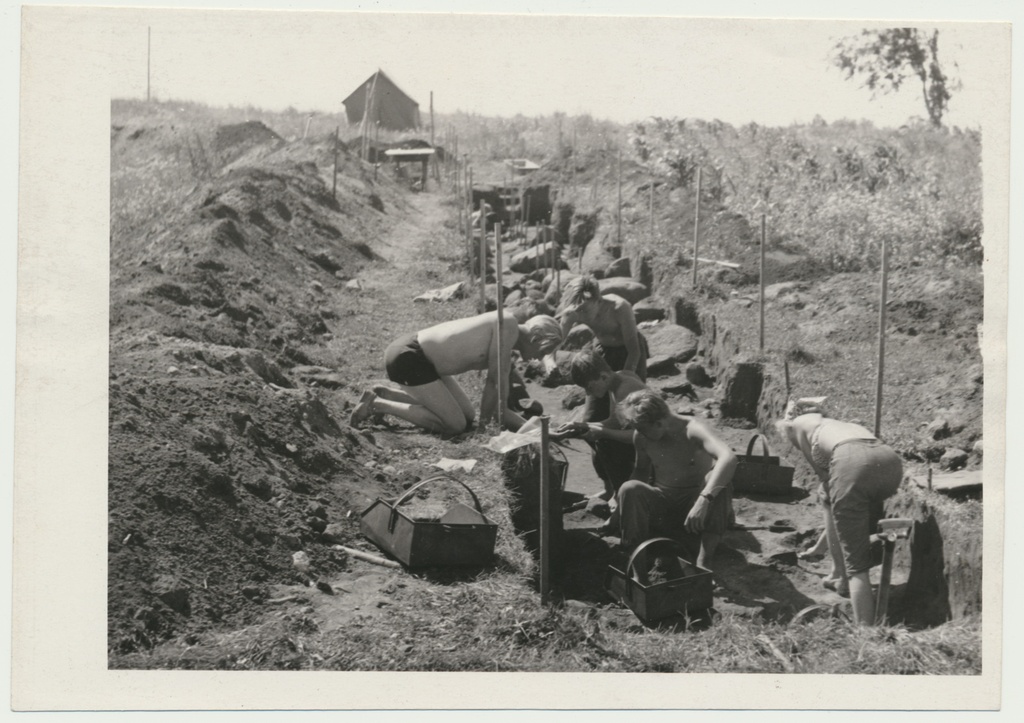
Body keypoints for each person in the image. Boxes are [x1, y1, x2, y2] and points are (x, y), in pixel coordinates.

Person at [775, 397, 903, 625]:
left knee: (857, 567)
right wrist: (819, 547)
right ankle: (838, 572)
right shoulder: (834, 424)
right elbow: (832, 497)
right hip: (889, 463)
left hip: (853, 464)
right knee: (834, 501)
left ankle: (865, 633)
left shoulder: (797, 426)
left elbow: (825, 477)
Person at [349, 312, 562, 435]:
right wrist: (484, 430)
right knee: (455, 425)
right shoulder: (508, 326)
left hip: (421, 361)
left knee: (468, 415)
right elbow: (493, 385)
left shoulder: (508, 335)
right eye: (543, 351)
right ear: (535, 340)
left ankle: (387, 394)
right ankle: (377, 404)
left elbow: (499, 408)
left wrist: (540, 430)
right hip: (409, 358)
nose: (538, 358)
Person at [614, 389, 737, 569]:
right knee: (629, 487)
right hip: (663, 507)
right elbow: (641, 471)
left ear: (659, 423)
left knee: (719, 482)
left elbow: (728, 457)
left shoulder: (693, 429)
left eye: (642, 428)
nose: (638, 432)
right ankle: (637, 563)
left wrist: (704, 499)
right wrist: (618, 512)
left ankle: (704, 561)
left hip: (694, 510)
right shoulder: (641, 437)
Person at [553, 351, 646, 508]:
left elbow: (640, 436)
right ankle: (616, 493)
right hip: (643, 440)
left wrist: (601, 432)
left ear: (603, 376)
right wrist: (580, 426)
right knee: (599, 437)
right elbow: (614, 422)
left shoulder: (624, 390)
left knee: (605, 441)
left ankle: (621, 496)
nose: (588, 393)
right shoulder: (616, 382)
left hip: (654, 445)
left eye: (589, 387)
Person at [556, 274, 650, 425]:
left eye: (585, 310)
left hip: (629, 352)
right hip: (602, 350)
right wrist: (549, 359)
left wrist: (626, 378)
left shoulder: (619, 307)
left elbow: (634, 350)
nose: (580, 314)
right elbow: (557, 341)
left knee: (630, 409)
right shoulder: (572, 311)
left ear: (598, 301)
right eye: (577, 309)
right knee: (591, 417)